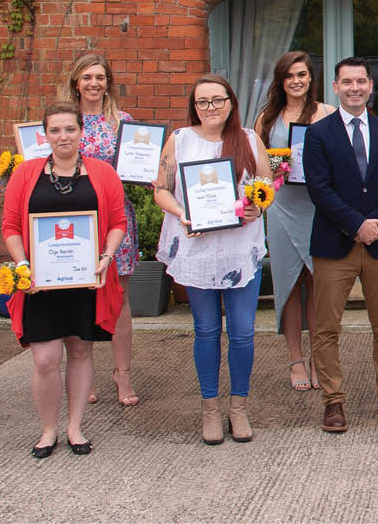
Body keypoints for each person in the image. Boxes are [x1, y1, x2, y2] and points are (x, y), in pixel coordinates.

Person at [1, 101, 127, 458]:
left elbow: (118, 222)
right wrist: (23, 265)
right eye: (55, 130)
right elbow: (10, 226)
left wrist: (105, 258)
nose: (63, 136)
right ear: (45, 134)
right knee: (44, 358)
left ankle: (74, 427)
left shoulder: (103, 172)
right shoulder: (26, 173)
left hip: (86, 279)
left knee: (81, 350)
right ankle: (48, 429)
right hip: (40, 282)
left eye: (70, 129)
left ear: (81, 132)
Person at [154, 75, 270, 444]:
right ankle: (209, 409)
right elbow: (160, 190)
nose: (211, 108)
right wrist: (182, 214)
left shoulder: (249, 140)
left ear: (231, 102)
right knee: (205, 330)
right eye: (203, 102)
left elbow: (266, 187)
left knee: (243, 332)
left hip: (239, 249)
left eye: (218, 100)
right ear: (194, 106)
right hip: (198, 251)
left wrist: (257, 208)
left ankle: (239, 408)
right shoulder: (180, 140)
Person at [303, 57, 378, 433]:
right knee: (326, 328)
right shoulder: (317, 134)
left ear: (370, 86)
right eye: (347, 81)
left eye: (361, 81)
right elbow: (319, 189)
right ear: (335, 87)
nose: (354, 87)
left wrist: (374, 224)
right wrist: (356, 225)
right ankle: (333, 401)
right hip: (335, 245)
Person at [59, 53, 140, 407]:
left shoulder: (124, 123)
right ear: (76, 82)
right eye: (87, 77)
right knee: (81, 297)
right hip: (74, 220)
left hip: (116, 219)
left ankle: (122, 374)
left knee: (118, 299)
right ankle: (83, 372)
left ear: (108, 83)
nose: (94, 83)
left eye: (100, 77)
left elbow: (139, 169)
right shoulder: (63, 122)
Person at [253, 51, 336, 392]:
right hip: (282, 208)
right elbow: (255, 170)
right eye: (290, 76)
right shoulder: (267, 119)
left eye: (302, 74)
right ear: (281, 80)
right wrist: (271, 170)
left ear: (310, 78)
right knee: (288, 286)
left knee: (318, 284)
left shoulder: (327, 114)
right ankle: (295, 360)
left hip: (317, 209)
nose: (297, 81)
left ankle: (319, 358)